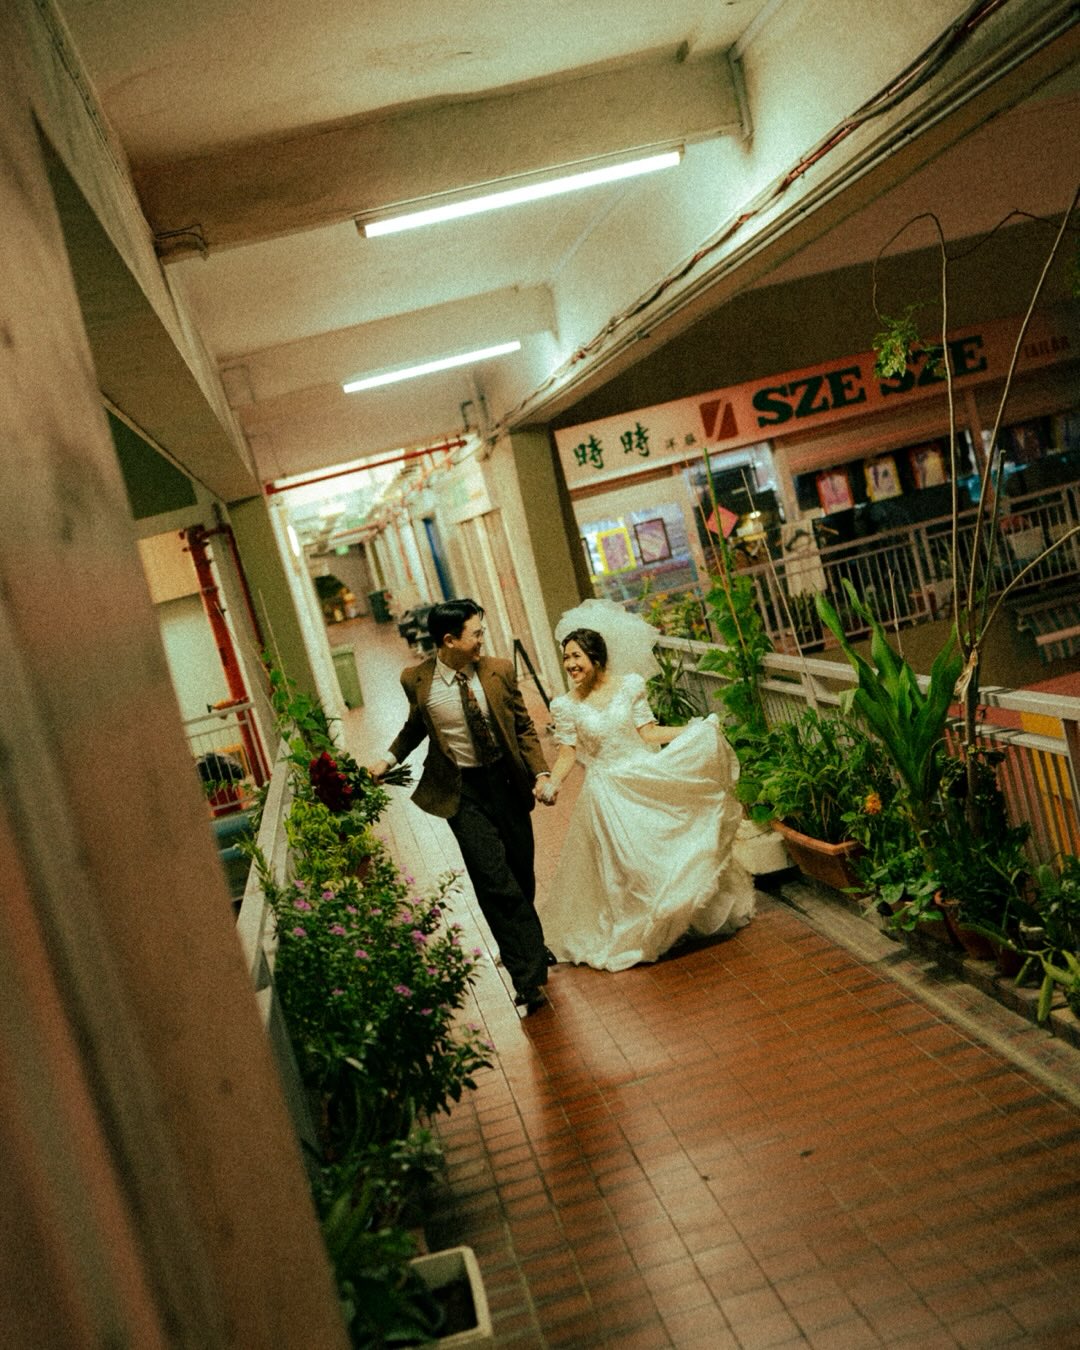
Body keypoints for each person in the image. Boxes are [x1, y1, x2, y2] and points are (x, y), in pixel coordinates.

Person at [535, 599, 755, 972]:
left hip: (644, 777)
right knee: (629, 868)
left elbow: (648, 733)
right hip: (607, 794)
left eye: (576, 656)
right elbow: (568, 754)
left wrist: (693, 730)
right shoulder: (565, 706)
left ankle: (672, 921)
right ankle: (639, 930)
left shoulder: (629, 687)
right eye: (566, 658)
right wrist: (552, 783)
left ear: (596, 658)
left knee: (666, 850)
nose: (570, 664)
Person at [368, 599, 554, 1015]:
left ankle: (530, 944)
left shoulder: (499, 670)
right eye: (476, 634)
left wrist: (541, 773)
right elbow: (416, 726)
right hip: (463, 792)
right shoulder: (417, 680)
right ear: (449, 640)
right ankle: (527, 977)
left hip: (506, 784)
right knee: (494, 881)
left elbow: (522, 726)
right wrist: (388, 758)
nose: (482, 641)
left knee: (520, 873)